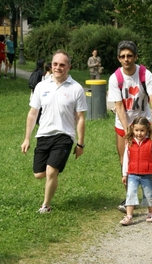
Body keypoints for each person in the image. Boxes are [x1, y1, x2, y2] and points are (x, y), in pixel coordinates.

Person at [21, 50, 88, 214]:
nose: (58, 67)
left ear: (69, 67)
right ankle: (54, 173)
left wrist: (80, 143)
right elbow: (32, 113)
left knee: (51, 171)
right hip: (44, 134)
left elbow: (80, 118)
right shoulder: (41, 86)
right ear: (51, 65)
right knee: (39, 174)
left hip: (64, 135)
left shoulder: (76, 88)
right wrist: (27, 138)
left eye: (62, 65)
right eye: (55, 64)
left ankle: (46, 205)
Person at [107, 40, 152, 213]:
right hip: (124, 123)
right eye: (122, 56)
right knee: (125, 160)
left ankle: (147, 195)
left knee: (147, 158)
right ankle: (131, 198)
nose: (126, 59)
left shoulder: (145, 74)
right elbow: (119, 106)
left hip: (144, 123)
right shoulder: (115, 78)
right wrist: (127, 130)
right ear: (118, 58)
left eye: (129, 56)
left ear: (135, 57)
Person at [119, 116, 152, 225]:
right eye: (137, 130)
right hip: (133, 174)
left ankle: (151, 213)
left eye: (142, 130)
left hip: (147, 174)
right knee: (130, 194)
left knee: (148, 194)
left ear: (147, 130)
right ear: (133, 130)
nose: (139, 133)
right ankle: (129, 216)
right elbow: (126, 160)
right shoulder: (130, 144)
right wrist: (125, 174)